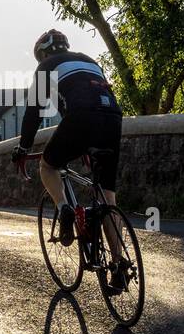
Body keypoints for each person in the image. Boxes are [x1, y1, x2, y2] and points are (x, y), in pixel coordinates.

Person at [11, 29, 130, 288]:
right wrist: (87, 146)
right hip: (112, 118)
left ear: (42, 53)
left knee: (48, 166)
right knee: (107, 196)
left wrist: (23, 148)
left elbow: (34, 112)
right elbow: (94, 98)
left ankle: (64, 207)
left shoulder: (46, 66)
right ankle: (119, 267)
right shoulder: (89, 60)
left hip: (81, 117)